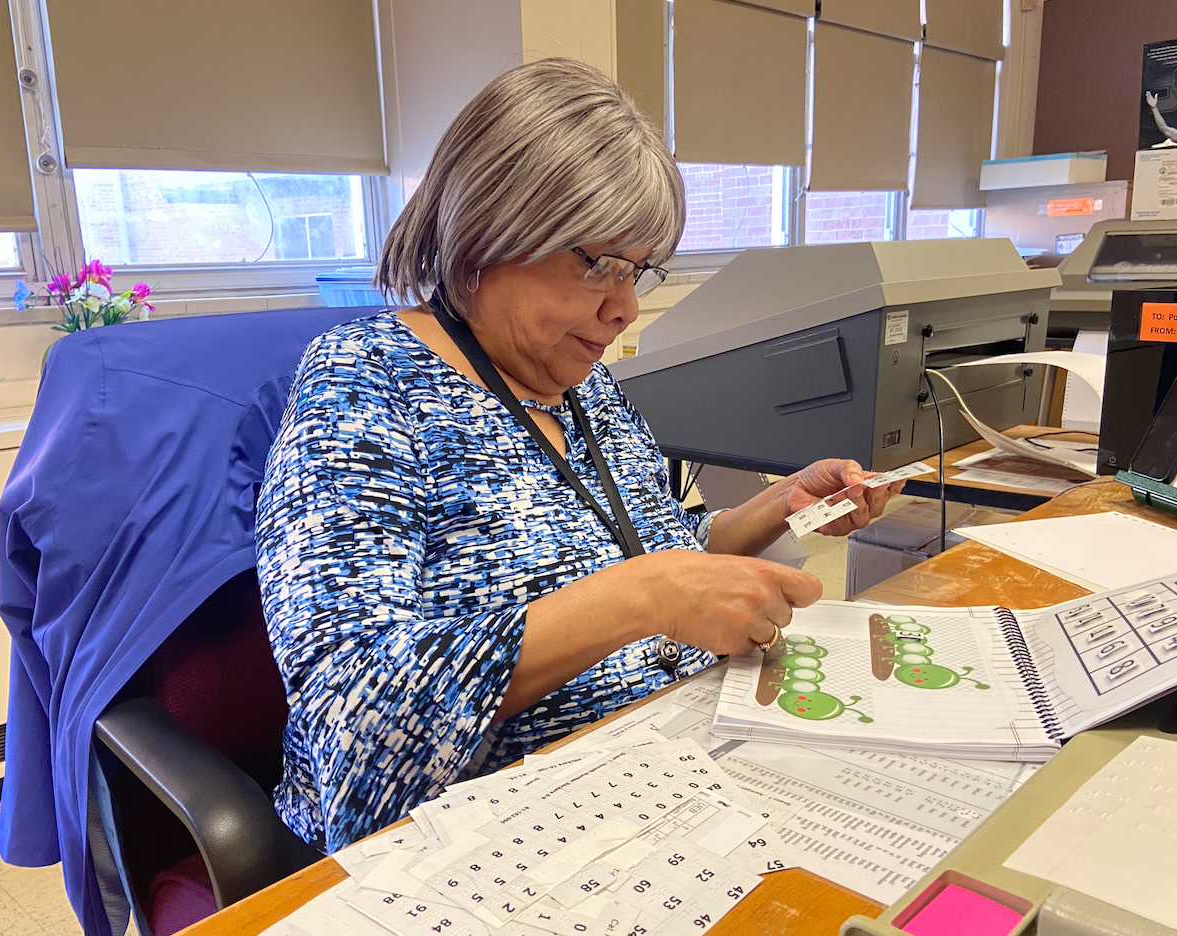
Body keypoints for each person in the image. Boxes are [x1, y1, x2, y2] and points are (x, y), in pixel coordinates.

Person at [254, 57, 904, 853]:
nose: (625, 306)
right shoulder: (363, 386)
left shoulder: (581, 383)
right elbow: (355, 718)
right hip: (479, 835)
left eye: (639, 272)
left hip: (665, 770)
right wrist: (643, 596)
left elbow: (651, 552)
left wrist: (779, 507)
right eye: (597, 264)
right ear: (480, 241)